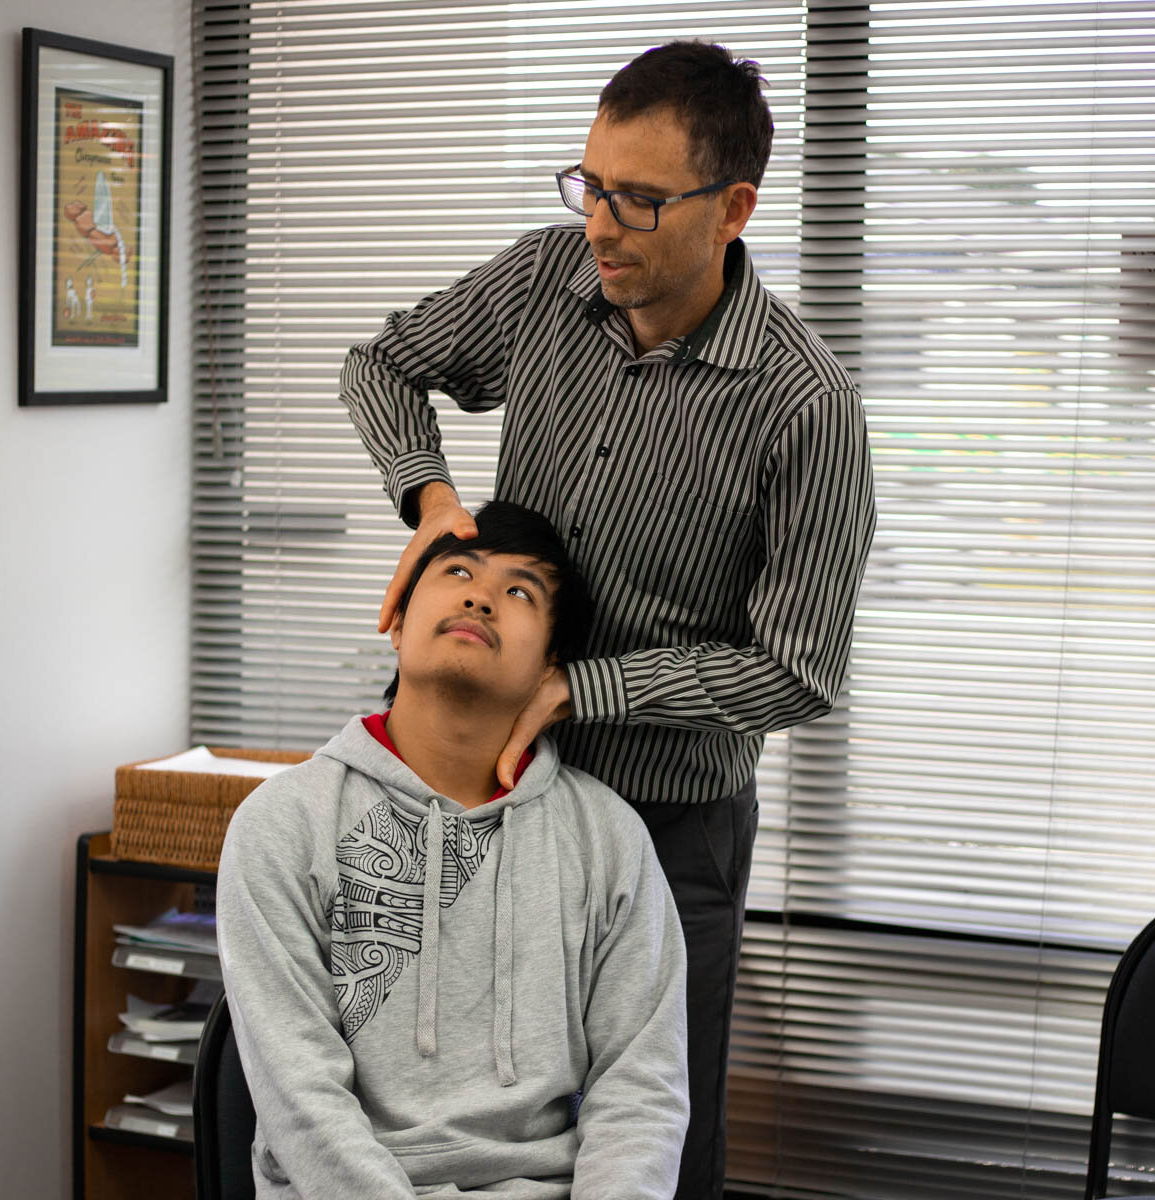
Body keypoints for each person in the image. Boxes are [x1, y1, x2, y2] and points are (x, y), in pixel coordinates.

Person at [339, 40, 876, 1199]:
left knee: (653, 1148)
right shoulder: (544, 280)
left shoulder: (805, 407)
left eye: (639, 198)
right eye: (589, 185)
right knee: (467, 1128)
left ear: (734, 207)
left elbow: (802, 668)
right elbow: (381, 365)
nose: (601, 224)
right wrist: (430, 500)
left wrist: (586, 687)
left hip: (667, 828)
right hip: (488, 804)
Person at [217, 500, 689, 1199]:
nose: (480, 596)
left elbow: (640, 1090)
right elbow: (301, 1099)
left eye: (520, 591)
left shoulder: (608, 839)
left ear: (554, 667)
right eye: (458, 570)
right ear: (397, 620)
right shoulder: (284, 825)